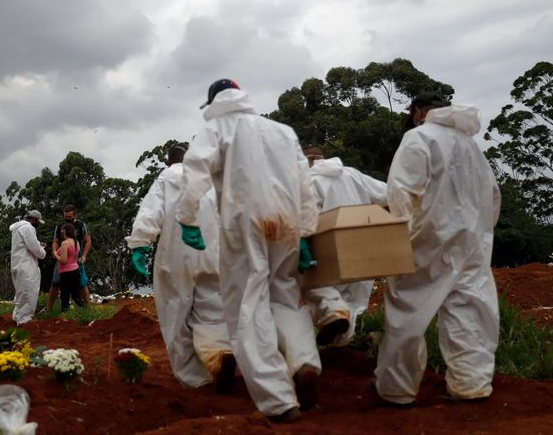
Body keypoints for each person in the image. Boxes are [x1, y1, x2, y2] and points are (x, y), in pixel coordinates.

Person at [175, 79, 320, 423]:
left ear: (212, 102)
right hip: (285, 222)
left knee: (247, 306)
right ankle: (304, 362)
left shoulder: (217, 128)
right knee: (284, 297)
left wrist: (187, 218)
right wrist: (306, 231)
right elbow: (304, 183)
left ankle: (278, 399)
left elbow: (196, 171)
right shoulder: (281, 131)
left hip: (244, 222)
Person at [374, 92, 501, 405]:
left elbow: (402, 191)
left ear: (417, 111)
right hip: (472, 242)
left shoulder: (419, 138)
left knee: (408, 307)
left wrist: (399, 235)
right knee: (470, 308)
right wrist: (482, 230)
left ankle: (397, 390)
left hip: (429, 239)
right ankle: (471, 385)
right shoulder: (471, 146)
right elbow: (494, 194)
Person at [126, 145, 235, 392]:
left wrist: (140, 244)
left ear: (169, 161)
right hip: (213, 253)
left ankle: (195, 379)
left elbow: (151, 212)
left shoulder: (168, 177)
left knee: (176, 315)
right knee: (213, 310)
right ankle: (220, 352)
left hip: (178, 254)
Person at [301, 147, 388, 347]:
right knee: (355, 303)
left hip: (330, 251)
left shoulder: (309, 181)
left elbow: (305, 218)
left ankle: (333, 314)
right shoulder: (353, 174)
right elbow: (388, 194)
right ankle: (341, 349)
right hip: (364, 249)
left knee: (316, 286)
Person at [44, 205, 92, 311]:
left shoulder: (81, 225)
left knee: (82, 283)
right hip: (62, 257)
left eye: (69, 217)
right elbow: (55, 241)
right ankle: (49, 308)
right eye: (65, 216)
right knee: (56, 283)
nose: (67, 219)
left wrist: (84, 256)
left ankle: (88, 307)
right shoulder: (59, 226)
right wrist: (55, 252)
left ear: (75, 215)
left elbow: (88, 241)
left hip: (76, 258)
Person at [9, 210, 47, 325]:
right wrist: (43, 250)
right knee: (28, 293)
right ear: (34, 220)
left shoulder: (17, 228)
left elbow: (26, 244)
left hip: (17, 264)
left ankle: (17, 317)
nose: (38, 224)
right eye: (37, 222)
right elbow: (36, 250)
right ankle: (24, 321)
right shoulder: (29, 228)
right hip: (26, 266)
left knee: (21, 293)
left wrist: (38, 244)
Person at [53, 223, 82, 312]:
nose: (62, 234)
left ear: (66, 232)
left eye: (62, 232)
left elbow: (63, 260)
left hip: (66, 272)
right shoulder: (76, 242)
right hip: (75, 270)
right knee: (76, 294)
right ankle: (84, 308)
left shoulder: (65, 243)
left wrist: (55, 254)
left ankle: (65, 313)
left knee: (65, 295)